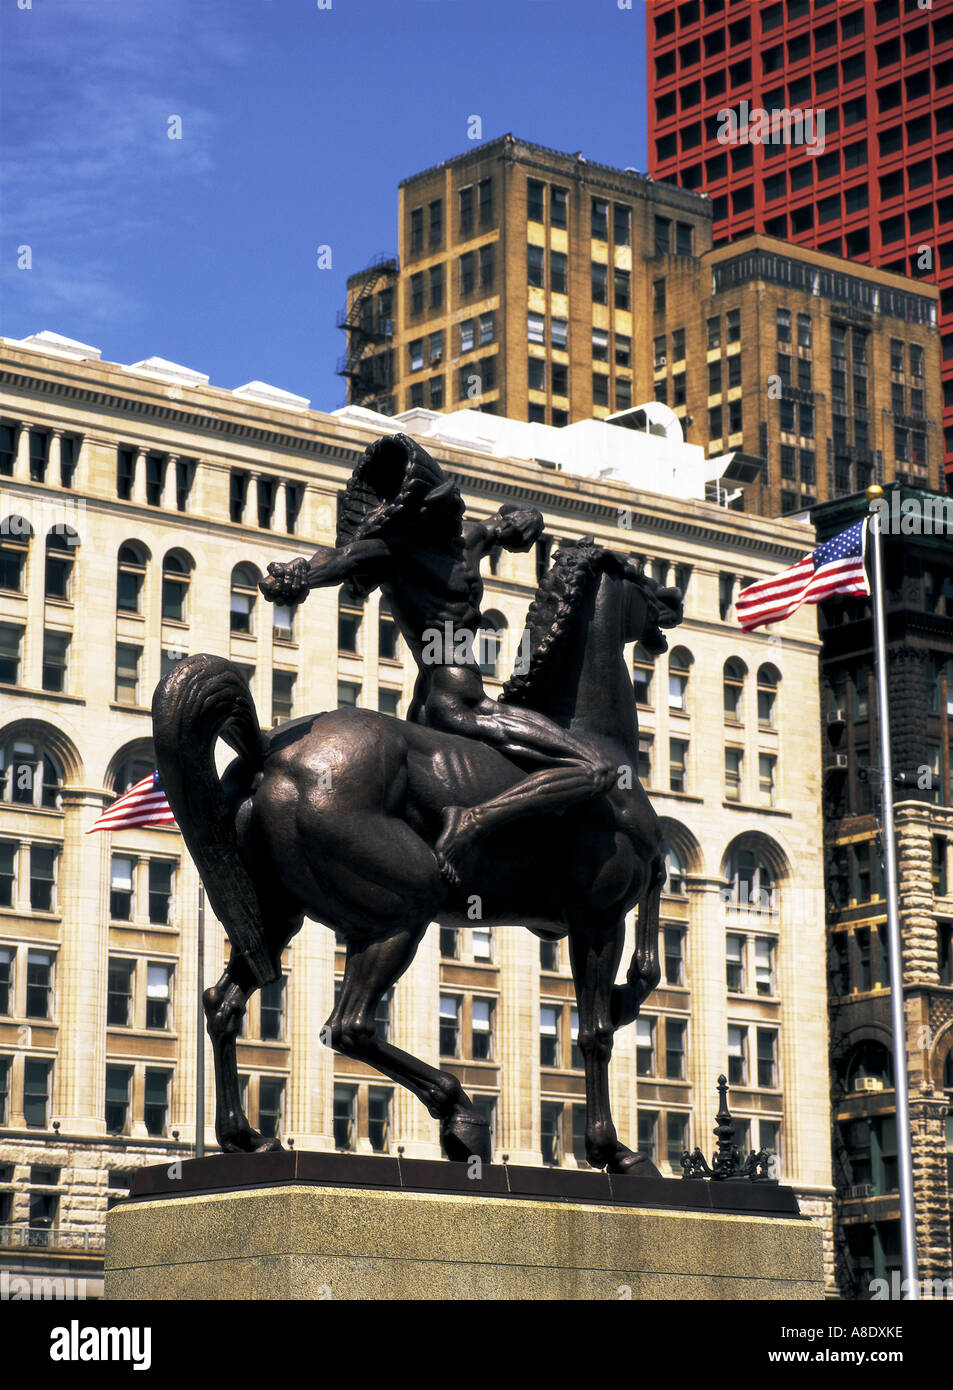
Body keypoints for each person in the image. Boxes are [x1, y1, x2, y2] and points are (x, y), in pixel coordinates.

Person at [260, 433, 615, 882]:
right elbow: (338, 560)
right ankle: (473, 821)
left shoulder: (466, 538)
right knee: (595, 766)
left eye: (454, 497)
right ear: (420, 512)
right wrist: (299, 576)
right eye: (446, 500)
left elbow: (515, 523)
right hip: (459, 704)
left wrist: (530, 518)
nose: (458, 506)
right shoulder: (394, 552)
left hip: (436, 700)